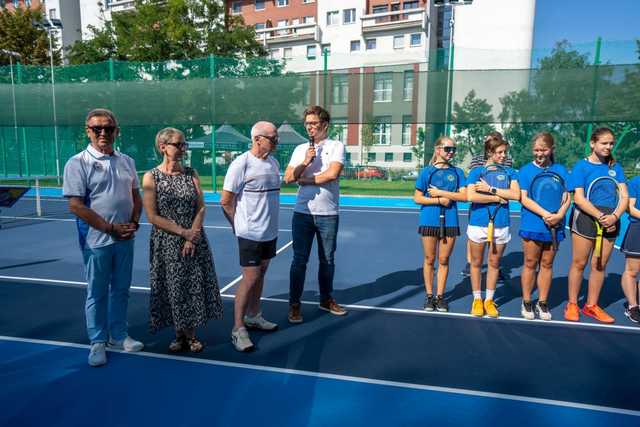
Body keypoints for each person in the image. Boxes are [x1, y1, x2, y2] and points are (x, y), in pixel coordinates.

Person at [63, 108, 144, 367]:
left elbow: (135, 197)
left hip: (125, 238)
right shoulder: (77, 163)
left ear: (116, 131)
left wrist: (133, 222)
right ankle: (97, 341)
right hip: (96, 241)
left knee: (121, 290)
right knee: (97, 292)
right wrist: (109, 228)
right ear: (88, 131)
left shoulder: (127, 161)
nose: (103, 133)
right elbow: (76, 205)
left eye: (108, 128)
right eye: (97, 128)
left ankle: (119, 335)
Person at [142, 128, 223, 352]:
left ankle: (192, 334)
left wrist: (192, 235)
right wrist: (182, 232)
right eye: (178, 144)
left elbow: (201, 207)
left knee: (192, 285)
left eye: (184, 144)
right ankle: (179, 334)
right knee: (172, 288)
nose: (182, 148)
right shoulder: (151, 176)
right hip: (166, 243)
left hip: (194, 239)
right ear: (163, 147)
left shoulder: (191, 173)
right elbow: (152, 216)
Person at [221, 121, 281, 352]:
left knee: (261, 274)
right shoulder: (241, 163)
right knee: (250, 278)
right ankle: (238, 328)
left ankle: (254, 315)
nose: (276, 141)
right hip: (249, 233)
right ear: (257, 139)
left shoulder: (273, 162)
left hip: (269, 231)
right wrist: (239, 226)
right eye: (273, 138)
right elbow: (226, 201)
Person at [284, 105, 347, 324]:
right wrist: (306, 162)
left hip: (328, 214)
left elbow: (332, 174)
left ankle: (326, 299)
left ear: (325, 125)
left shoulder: (337, 146)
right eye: (307, 123)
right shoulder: (300, 149)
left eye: (313, 123)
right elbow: (289, 178)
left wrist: (306, 179)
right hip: (302, 213)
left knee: (327, 259)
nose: (309, 127)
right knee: (299, 260)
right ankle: (294, 305)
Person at [566, 128, 629, 323]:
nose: (608, 147)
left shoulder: (615, 168)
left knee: (599, 265)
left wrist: (615, 216)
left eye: (611, 143)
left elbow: (624, 196)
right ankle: (573, 304)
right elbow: (579, 198)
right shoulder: (581, 167)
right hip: (586, 217)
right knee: (579, 263)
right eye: (604, 143)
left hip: (611, 220)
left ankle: (591, 306)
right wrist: (601, 216)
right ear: (593, 143)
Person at [466, 135, 520, 318]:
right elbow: (471, 197)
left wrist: (490, 189)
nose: (504, 155)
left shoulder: (510, 173)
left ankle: (489, 300)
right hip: (478, 223)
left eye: (505, 152)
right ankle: (477, 299)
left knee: (494, 263)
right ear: (489, 152)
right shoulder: (476, 172)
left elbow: (515, 195)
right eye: (499, 152)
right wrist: (497, 198)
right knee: (475, 263)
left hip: (501, 223)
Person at [517, 132, 570, 320]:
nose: (539, 153)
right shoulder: (525, 171)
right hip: (533, 223)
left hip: (556, 225)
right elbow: (524, 198)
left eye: (544, 150)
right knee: (530, 263)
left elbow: (567, 196)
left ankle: (543, 302)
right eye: (536, 150)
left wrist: (560, 214)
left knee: (547, 264)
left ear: (552, 150)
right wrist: (546, 214)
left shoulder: (561, 170)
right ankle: (526, 301)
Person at [414, 136, 467, 312]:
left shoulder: (458, 172)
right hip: (429, 219)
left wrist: (443, 194)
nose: (451, 152)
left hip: (450, 221)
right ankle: (430, 297)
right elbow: (417, 198)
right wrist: (439, 201)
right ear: (438, 150)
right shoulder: (426, 172)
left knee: (444, 259)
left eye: (453, 149)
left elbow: (464, 196)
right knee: (429, 259)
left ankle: (440, 297)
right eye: (447, 149)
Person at [462, 131, 513, 280]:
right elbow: (474, 187)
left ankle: (495, 266)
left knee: (495, 239)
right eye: (489, 141)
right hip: (480, 206)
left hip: (498, 210)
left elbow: (508, 185)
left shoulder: (506, 161)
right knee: (474, 235)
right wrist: (495, 196)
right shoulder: (477, 161)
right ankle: (470, 262)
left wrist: (496, 191)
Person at [621, 174, 640, 323]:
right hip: (637, 228)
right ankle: (632, 306)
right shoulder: (636, 181)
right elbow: (629, 208)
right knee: (632, 271)